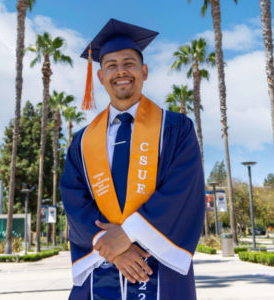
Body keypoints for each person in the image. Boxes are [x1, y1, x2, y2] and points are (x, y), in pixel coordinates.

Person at [61, 18, 205, 300]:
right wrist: (114, 249)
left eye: (129, 63)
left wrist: (127, 235)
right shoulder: (82, 141)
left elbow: (182, 191)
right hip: (100, 263)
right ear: (101, 77)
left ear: (144, 71)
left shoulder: (175, 129)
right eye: (111, 65)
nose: (120, 72)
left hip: (160, 265)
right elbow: (74, 200)